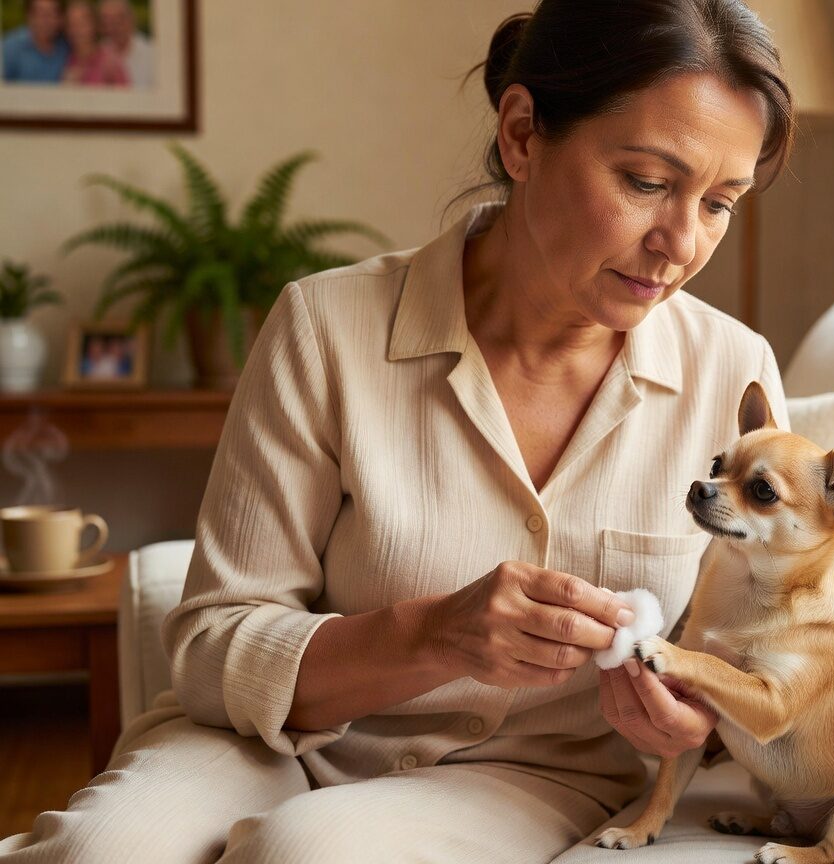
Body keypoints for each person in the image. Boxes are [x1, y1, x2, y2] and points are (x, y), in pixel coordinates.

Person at [0, 1, 794, 861]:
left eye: (721, 203)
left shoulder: (732, 372)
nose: (681, 242)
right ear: (523, 134)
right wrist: (429, 637)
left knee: (311, 855)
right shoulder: (324, 327)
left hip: (531, 778)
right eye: (646, 183)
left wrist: (698, 720)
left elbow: (774, 663)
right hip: (254, 744)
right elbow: (210, 644)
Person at [61, 0, 127, 87]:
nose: (75, 30)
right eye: (71, 24)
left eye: (81, 24)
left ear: (94, 25)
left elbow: (127, 97)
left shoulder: (110, 63)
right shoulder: (66, 59)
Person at [1, 0, 69, 84]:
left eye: (51, 14)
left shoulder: (67, 45)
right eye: (39, 14)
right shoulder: (9, 48)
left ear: (60, 19)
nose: (45, 21)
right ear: (28, 16)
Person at [95, 0, 149, 89]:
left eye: (119, 19)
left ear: (131, 19)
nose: (113, 27)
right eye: (107, 21)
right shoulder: (98, 52)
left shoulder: (152, 53)